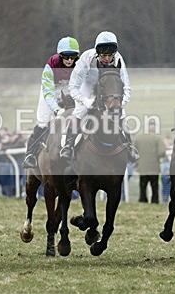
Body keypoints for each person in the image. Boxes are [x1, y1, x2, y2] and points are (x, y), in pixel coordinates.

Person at [60, 31, 138, 163]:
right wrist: (84, 101)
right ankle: (68, 146)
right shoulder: (87, 58)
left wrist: (118, 105)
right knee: (80, 111)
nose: (107, 59)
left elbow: (127, 87)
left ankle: (130, 147)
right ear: (97, 53)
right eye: (104, 56)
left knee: (122, 114)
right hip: (89, 84)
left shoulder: (118, 58)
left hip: (109, 86)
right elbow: (73, 86)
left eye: (110, 55)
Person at [22, 36, 81, 169]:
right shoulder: (51, 64)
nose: (70, 60)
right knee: (43, 122)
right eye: (66, 57)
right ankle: (30, 154)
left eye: (73, 57)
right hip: (51, 90)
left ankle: (72, 147)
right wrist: (55, 109)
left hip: (70, 90)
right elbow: (48, 91)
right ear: (60, 56)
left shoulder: (80, 64)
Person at [135, 119, 167, 203]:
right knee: (154, 186)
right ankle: (155, 200)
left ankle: (142, 200)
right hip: (154, 167)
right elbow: (162, 152)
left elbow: (134, 151)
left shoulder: (138, 138)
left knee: (142, 185)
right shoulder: (157, 138)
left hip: (142, 167)